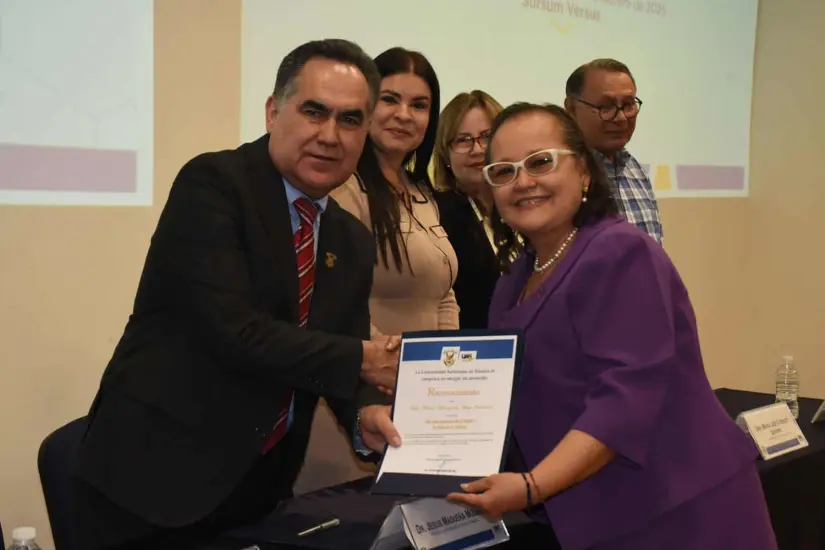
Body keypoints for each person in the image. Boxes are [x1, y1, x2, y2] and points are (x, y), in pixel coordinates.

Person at [72, 39, 400, 550]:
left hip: (259, 488)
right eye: (314, 111)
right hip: (150, 482)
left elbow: (341, 351)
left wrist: (364, 414)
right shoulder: (214, 185)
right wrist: (362, 359)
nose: (330, 136)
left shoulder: (350, 239)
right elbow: (233, 330)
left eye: (350, 120)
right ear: (273, 111)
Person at [447, 102, 777, 550]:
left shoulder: (621, 252)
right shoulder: (514, 279)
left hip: (678, 510)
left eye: (541, 162)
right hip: (595, 511)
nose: (522, 181)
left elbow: (625, 397)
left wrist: (531, 485)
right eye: (503, 171)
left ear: (583, 171)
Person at [331, 47, 459, 343]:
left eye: (419, 105)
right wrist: (388, 361)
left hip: (428, 379)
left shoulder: (422, 193)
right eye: (389, 100)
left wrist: (444, 364)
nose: (404, 115)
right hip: (369, 376)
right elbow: (338, 301)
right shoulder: (344, 188)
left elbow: (444, 294)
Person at [564, 58, 664, 243]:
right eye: (606, 107)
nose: (621, 118)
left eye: (628, 105)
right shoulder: (562, 173)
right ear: (571, 109)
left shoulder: (635, 169)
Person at [432, 90, 503, 329]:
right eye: (463, 140)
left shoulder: (531, 208)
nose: (478, 149)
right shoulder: (437, 216)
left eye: (487, 136)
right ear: (446, 155)